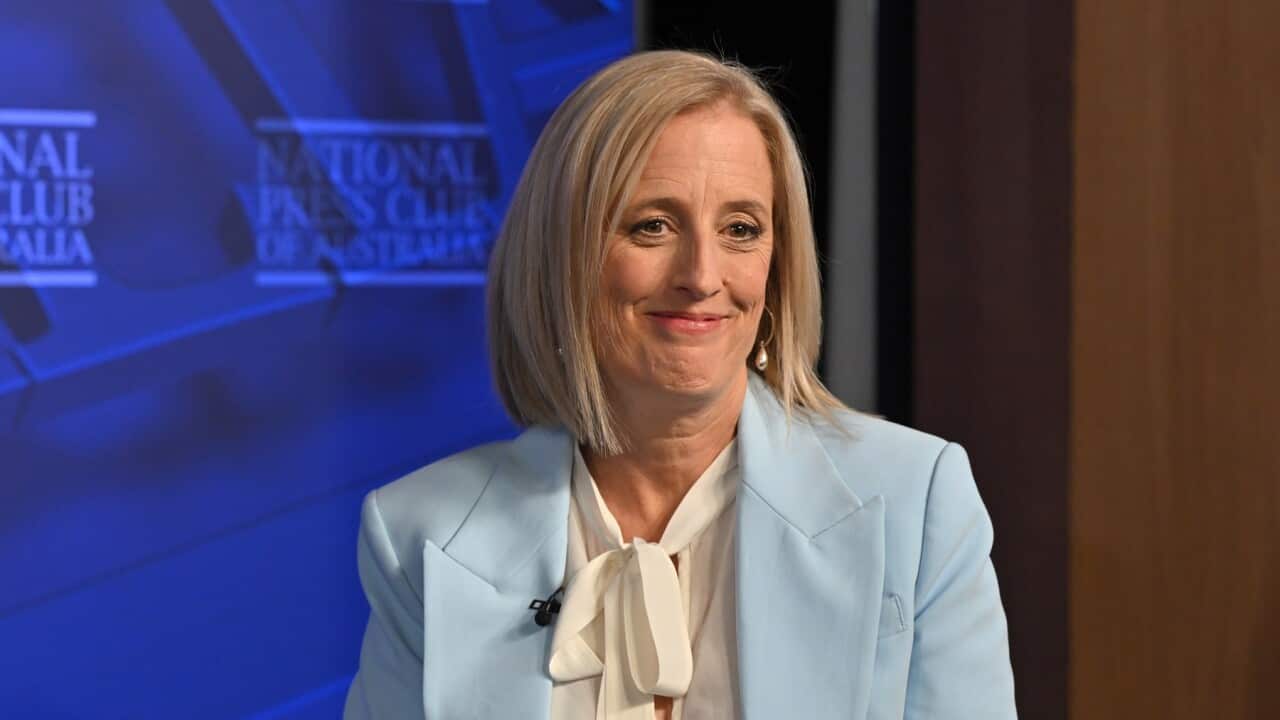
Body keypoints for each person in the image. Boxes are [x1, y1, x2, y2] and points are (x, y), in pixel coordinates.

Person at [343, 49, 1017, 719]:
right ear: (561, 258)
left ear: (776, 267)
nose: (701, 274)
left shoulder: (915, 503)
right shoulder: (420, 539)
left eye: (740, 229)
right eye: (652, 226)